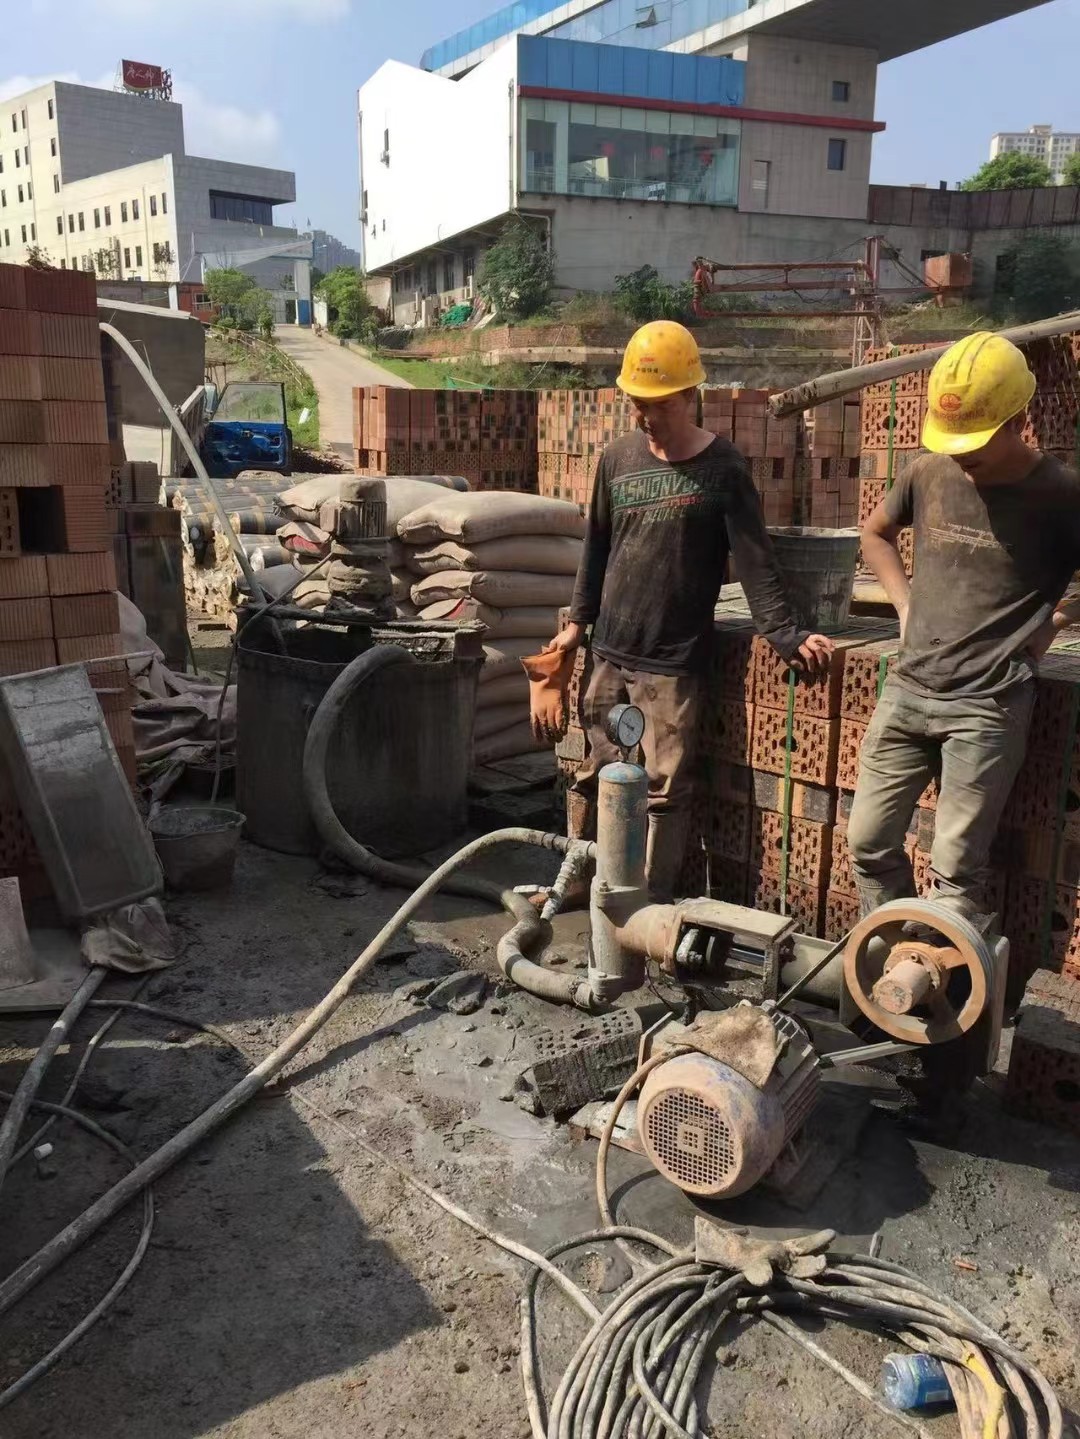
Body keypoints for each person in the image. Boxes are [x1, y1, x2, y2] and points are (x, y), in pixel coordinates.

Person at [848, 331, 1080, 1129]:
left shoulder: (1061, 496)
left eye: (978, 446)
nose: (964, 462)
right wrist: (907, 606)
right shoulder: (931, 467)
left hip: (988, 705)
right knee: (868, 842)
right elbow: (874, 532)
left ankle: (942, 1061)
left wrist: (1054, 621)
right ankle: (889, 983)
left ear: (1022, 420)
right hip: (910, 689)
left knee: (954, 875)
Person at [544, 320, 833, 904]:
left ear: (690, 396)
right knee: (596, 775)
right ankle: (584, 885)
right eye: (636, 405)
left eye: (658, 406)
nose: (645, 418)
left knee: (661, 791)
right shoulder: (619, 459)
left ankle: (643, 906)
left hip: (672, 666)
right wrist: (577, 622)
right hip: (609, 653)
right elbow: (597, 545)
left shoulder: (723, 468)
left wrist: (784, 633)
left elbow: (755, 559)